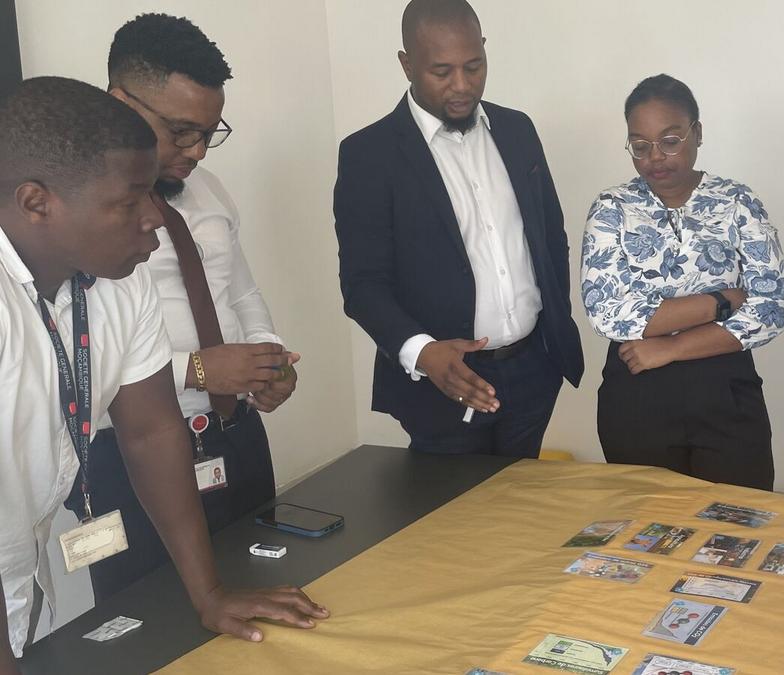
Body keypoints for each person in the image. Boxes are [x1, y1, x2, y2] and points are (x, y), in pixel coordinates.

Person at [0, 76, 325, 670]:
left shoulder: (120, 283)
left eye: (152, 194)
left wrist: (210, 594)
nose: (154, 218)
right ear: (36, 203)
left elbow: (151, 431)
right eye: (130, 202)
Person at [62, 13, 298, 602]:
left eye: (210, 133)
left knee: (257, 587)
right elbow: (76, 355)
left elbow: (240, 292)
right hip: (128, 454)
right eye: (181, 131)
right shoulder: (79, 217)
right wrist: (196, 370)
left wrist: (265, 360)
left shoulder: (209, 191)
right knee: (153, 615)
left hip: (232, 433)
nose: (196, 151)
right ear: (120, 103)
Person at [334, 0, 583, 456]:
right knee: (453, 503)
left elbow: (550, 238)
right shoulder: (369, 155)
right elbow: (363, 284)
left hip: (534, 369)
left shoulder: (518, 130)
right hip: (442, 386)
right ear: (407, 64)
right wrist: (422, 353)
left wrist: (552, 329)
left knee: (526, 498)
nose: (462, 85)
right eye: (442, 71)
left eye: (474, 66)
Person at [582, 74, 784, 490]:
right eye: (640, 146)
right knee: (647, 520)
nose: (655, 157)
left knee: (736, 517)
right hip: (637, 394)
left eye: (670, 140)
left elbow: (772, 308)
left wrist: (671, 346)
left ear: (697, 133)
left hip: (724, 386)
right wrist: (722, 300)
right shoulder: (612, 208)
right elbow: (608, 314)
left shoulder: (737, 202)